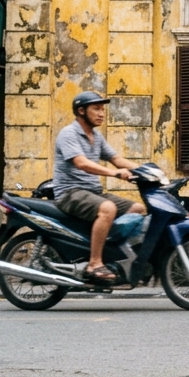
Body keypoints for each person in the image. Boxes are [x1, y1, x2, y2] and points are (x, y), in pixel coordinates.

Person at [52, 91, 146, 282]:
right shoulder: (68, 133)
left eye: (102, 109)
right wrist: (114, 173)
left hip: (92, 192)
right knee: (107, 209)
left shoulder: (95, 135)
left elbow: (116, 159)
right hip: (70, 192)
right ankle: (94, 262)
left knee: (137, 209)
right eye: (96, 109)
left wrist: (147, 171)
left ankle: (115, 256)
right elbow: (82, 163)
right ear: (81, 111)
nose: (101, 113)